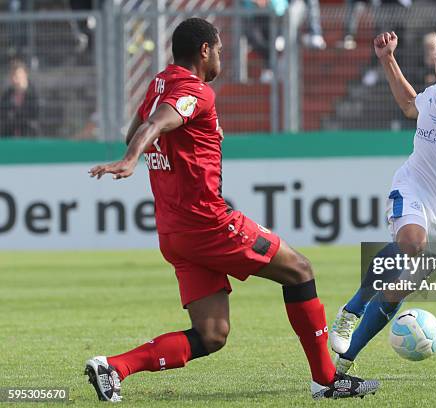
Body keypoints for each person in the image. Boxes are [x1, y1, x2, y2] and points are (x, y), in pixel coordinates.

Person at [85, 18, 379, 402]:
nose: (221, 55)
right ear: (204, 50)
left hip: (174, 234)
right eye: (220, 49)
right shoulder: (195, 91)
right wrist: (129, 160)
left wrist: (176, 139)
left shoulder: (160, 83)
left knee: (212, 334)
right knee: (300, 271)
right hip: (209, 224)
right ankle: (326, 380)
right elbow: (157, 123)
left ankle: (113, 368)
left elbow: (143, 126)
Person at [329, 25, 436, 374]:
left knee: (397, 292)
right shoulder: (432, 95)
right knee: (411, 242)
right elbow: (411, 105)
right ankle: (352, 309)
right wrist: (388, 59)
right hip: (412, 186)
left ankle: (343, 367)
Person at [0, 59, 40, 137]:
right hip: (9, 137)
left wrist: (14, 115)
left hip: (29, 137)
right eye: (12, 76)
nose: (15, 79)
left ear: (25, 75)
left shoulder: (34, 94)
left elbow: (34, 116)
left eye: (17, 76)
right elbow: (3, 115)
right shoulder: (7, 94)